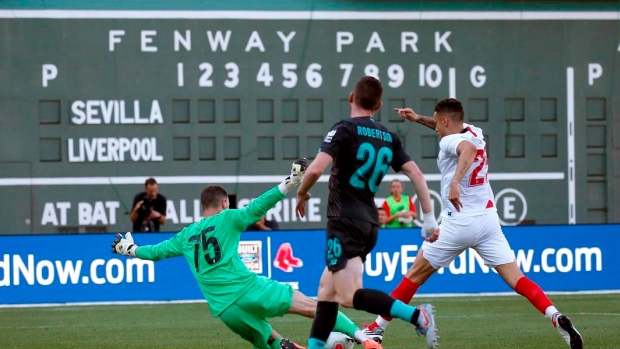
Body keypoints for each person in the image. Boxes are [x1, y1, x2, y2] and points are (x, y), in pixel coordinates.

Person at [363, 98, 583, 349]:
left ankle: (376, 329)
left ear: (445, 121)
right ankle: (554, 315)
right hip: (488, 221)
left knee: (414, 275)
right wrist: (418, 118)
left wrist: (456, 181)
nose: (435, 126)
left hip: (458, 222)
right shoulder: (474, 130)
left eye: (437, 121)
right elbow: (459, 136)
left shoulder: (450, 141)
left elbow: (466, 149)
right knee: (518, 279)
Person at [112, 159, 382, 349]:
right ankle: (365, 337)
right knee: (316, 308)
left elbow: (155, 252)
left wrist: (129, 249)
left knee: (272, 340)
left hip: (225, 310)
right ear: (224, 202)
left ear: (202, 205)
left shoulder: (185, 236)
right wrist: (290, 182)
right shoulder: (227, 218)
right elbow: (256, 208)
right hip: (250, 289)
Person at [295, 76, 440, 349]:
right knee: (326, 293)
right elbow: (417, 174)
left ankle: (416, 315)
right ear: (379, 105)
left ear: (351, 97)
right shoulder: (389, 136)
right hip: (369, 222)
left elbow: (315, 169)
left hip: (343, 222)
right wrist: (429, 219)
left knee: (348, 295)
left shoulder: (344, 129)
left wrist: (302, 193)